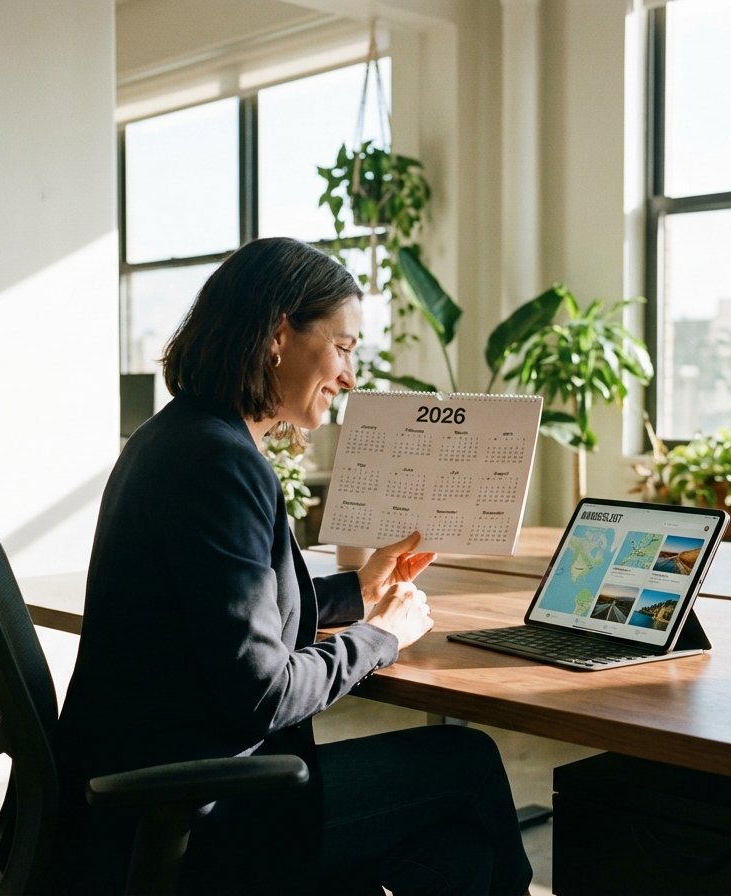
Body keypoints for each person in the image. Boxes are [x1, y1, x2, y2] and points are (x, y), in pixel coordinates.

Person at [53, 237, 533, 894]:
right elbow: (264, 693)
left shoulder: (179, 437)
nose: (350, 376)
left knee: (445, 838)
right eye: (343, 346)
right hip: (199, 813)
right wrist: (381, 637)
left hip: (135, 794)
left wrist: (359, 593)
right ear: (280, 333)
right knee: (466, 766)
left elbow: (230, 605)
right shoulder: (220, 464)